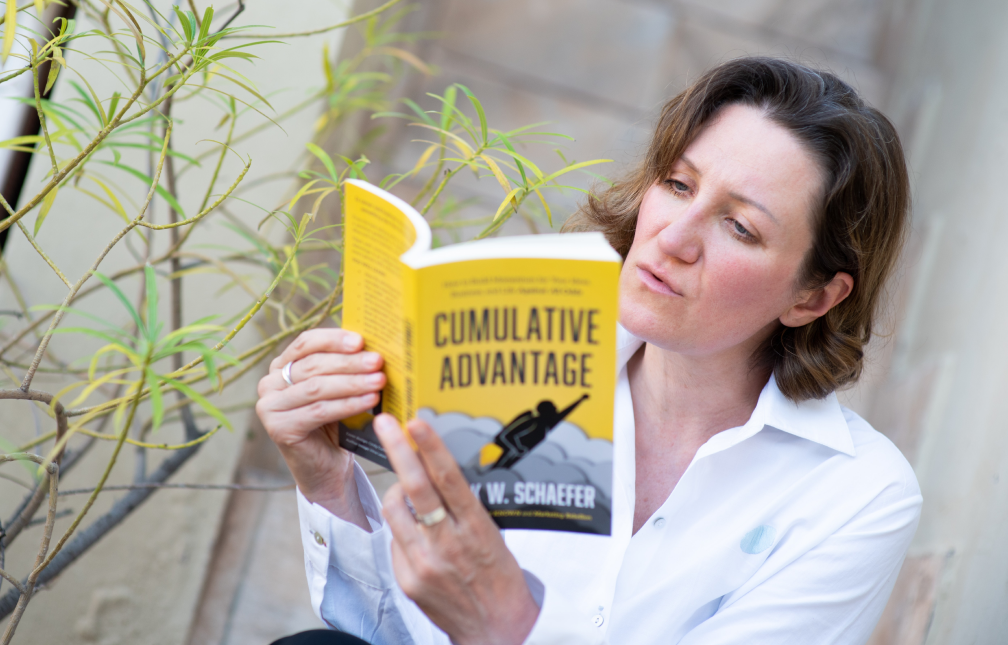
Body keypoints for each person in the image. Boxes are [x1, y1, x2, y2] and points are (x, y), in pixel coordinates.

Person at [255, 57, 921, 645]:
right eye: (679, 185)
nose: (672, 238)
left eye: (740, 226)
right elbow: (392, 634)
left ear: (812, 296)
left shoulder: (855, 495)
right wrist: (326, 481)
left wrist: (510, 624)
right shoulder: (519, 364)